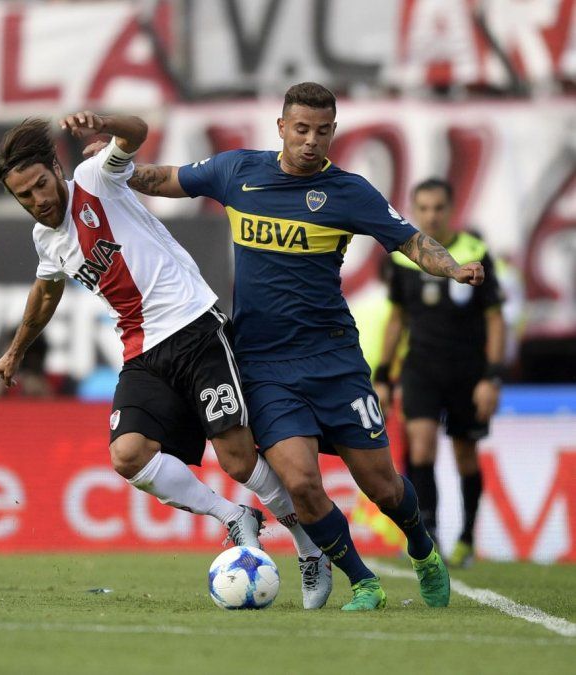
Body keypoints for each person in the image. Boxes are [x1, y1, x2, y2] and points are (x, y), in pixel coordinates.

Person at [125, 82, 486, 611]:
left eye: (322, 131)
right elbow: (165, 178)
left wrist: (451, 268)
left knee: (383, 487)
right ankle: (363, 582)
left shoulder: (349, 192)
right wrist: (112, 169)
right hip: (264, 364)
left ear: (333, 131)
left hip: (334, 360)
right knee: (300, 481)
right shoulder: (237, 172)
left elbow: (411, 240)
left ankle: (422, 548)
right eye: (300, 129)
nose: (311, 141)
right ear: (281, 128)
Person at [0, 113, 333, 610]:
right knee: (127, 455)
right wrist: (15, 350)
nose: (38, 200)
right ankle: (234, 517)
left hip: (195, 329)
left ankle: (309, 547)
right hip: (142, 351)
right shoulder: (47, 239)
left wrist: (103, 122)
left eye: (41, 184)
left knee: (237, 460)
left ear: (56, 170)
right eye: (24, 196)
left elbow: (136, 133)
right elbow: (46, 292)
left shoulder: (94, 179)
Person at [373, 178, 505, 569]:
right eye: (424, 208)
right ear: (414, 210)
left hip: (468, 371)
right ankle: (428, 535)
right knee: (421, 445)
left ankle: (467, 538)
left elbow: (495, 319)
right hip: (420, 368)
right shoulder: (403, 257)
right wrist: (383, 374)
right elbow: (396, 318)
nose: (431, 216)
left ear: (451, 209)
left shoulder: (475, 253)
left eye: (438, 208)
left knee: (466, 455)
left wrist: (491, 376)